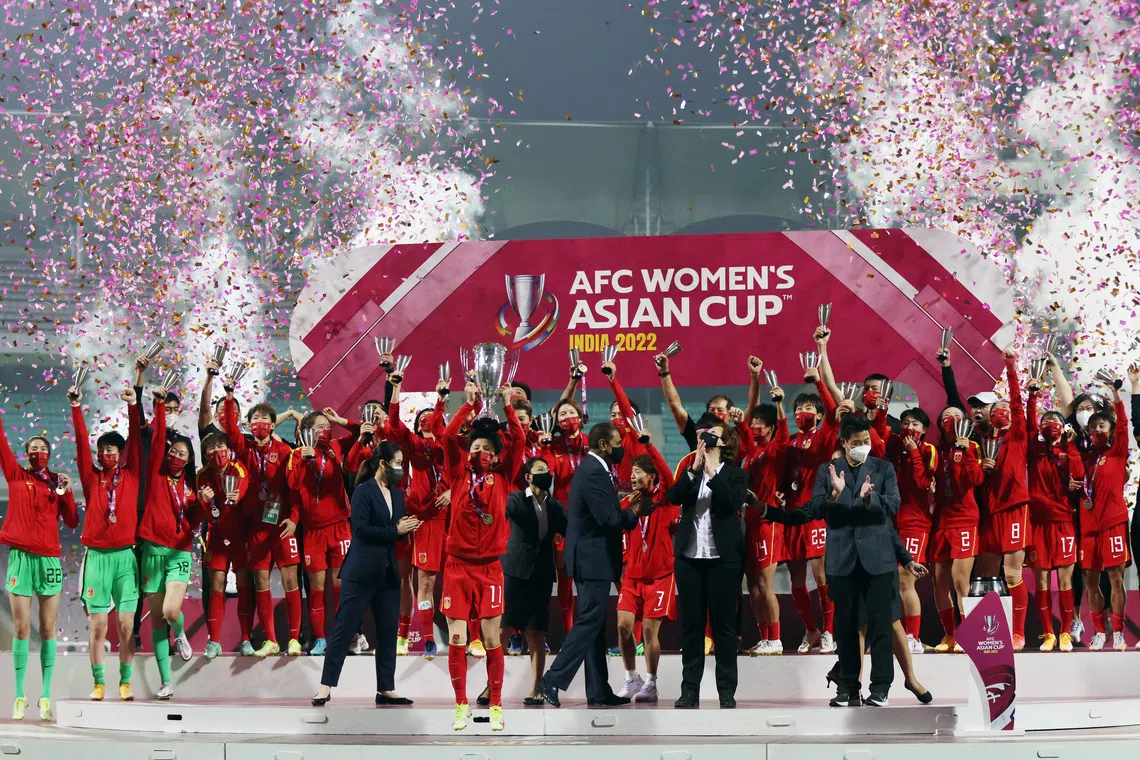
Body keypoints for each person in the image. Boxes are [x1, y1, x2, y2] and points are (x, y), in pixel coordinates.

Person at [765, 415, 901, 707]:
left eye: (866, 441)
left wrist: (869, 499)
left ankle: (880, 688)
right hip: (842, 561)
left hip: (878, 561)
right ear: (844, 443)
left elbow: (893, 505)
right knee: (845, 628)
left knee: (880, 626)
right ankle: (848, 688)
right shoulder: (828, 472)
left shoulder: (883, 469)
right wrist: (833, 497)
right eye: (856, 443)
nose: (863, 447)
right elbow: (813, 509)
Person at [539, 422, 648, 709]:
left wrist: (622, 505)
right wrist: (634, 512)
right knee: (588, 621)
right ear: (603, 445)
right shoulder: (594, 472)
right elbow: (609, 519)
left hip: (591, 557)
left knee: (595, 625)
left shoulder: (593, 469)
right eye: (617, 442)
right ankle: (551, 679)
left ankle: (598, 690)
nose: (620, 448)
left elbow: (603, 511)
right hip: (592, 558)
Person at [439, 383, 524, 732]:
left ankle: (497, 707)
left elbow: (518, 442)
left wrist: (506, 407)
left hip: (489, 568)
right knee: (458, 639)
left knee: (491, 640)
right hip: (457, 566)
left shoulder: (503, 476)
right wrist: (468, 404)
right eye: (475, 446)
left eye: (487, 448)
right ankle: (460, 706)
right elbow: (446, 437)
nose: (480, 451)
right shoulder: (457, 474)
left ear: (496, 453)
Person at [312, 443, 421, 706]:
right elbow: (361, 530)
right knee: (344, 628)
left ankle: (386, 688)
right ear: (382, 463)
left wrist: (406, 529)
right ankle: (325, 686)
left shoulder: (396, 495)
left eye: (402, 463)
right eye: (396, 462)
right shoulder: (363, 492)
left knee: (387, 631)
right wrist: (396, 529)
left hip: (388, 573)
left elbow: (392, 531)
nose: (400, 468)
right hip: (360, 571)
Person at [0, 412, 79, 721]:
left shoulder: (57, 485)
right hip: (20, 557)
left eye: (41, 448)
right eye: (31, 449)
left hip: (49, 559)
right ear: (26, 455)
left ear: (49, 454)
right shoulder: (16, 476)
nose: (37, 453)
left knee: (46, 630)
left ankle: (45, 696)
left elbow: (72, 521)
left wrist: (68, 490)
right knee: (21, 629)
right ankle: (20, 696)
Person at [665, 413, 747, 709]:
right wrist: (694, 471)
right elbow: (673, 498)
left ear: (724, 442)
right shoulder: (691, 468)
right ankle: (690, 691)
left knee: (724, 627)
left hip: (723, 559)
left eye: (714, 434)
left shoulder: (735, 473)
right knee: (692, 627)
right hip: (690, 558)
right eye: (704, 433)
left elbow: (732, 502)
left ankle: (726, 691)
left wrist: (712, 475)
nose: (707, 437)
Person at [71, 384, 142, 701]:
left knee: (126, 627)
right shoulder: (91, 478)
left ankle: (125, 682)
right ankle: (99, 683)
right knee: (98, 627)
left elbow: (137, 441)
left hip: (125, 559)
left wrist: (133, 407)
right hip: (97, 559)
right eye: (102, 451)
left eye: (112, 450)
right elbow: (81, 448)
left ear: (121, 454)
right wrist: (76, 408)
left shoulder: (131, 475)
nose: (105, 454)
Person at [220, 388, 303, 657]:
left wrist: (293, 519)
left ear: (272, 423)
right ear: (249, 424)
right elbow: (231, 430)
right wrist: (231, 396)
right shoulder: (243, 448)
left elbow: (295, 490)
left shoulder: (285, 451)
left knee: (291, 579)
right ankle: (270, 640)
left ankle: (293, 639)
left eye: (265, 418)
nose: (261, 422)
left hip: (283, 525)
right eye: (255, 418)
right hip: (257, 525)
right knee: (260, 580)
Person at [137, 387, 201, 699]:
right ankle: (166, 681)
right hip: (151, 550)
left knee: (171, 610)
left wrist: (206, 503)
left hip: (179, 553)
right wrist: (160, 406)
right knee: (157, 618)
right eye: (173, 452)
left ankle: (181, 634)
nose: (176, 456)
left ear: (189, 460)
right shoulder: (156, 473)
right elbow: (160, 432)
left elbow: (199, 519)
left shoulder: (193, 485)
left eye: (182, 454)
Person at [387, 373, 451, 659]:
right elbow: (393, 424)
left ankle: (469, 637)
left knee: (456, 581)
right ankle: (427, 639)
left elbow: (464, 473)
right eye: (422, 417)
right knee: (422, 582)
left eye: (432, 416)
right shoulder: (412, 444)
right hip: (422, 520)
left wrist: (440, 400)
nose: (427, 419)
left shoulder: (450, 443)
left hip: (450, 520)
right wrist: (397, 388)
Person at [286, 411, 353, 656]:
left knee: (339, 586)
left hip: (340, 527)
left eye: (328, 426)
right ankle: (321, 640)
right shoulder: (296, 454)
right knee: (316, 588)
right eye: (321, 426)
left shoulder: (335, 446)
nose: (326, 430)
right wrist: (303, 461)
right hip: (313, 531)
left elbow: (358, 433)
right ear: (307, 431)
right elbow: (292, 485)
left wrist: (341, 421)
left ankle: (340, 638)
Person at [615, 443, 678, 703]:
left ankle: (651, 683)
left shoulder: (666, 500)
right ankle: (632, 677)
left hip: (661, 577)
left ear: (652, 477)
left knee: (651, 632)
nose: (632, 476)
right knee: (623, 627)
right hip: (632, 577)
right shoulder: (627, 503)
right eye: (631, 471)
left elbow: (667, 473)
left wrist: (647, 445)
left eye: (638, 471)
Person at [1025, 377, 1083, 652]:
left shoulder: (1068, 450)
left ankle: (1065, 633)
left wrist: (1070, 447)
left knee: (1065, 580)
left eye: (1055, 419)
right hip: (1038, 524)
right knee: (1042, 582)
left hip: (1063, 523)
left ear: (1063, 427)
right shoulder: (1034, 449)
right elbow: (1026, 424)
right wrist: (1034, 397)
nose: (1050, 423)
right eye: (1045, 420)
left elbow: (1080, 475)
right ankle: (1048, 633)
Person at [784, 366, 839, 654]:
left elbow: (833, 412)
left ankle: (830, 631)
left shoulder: (824, 437)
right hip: (793, 516)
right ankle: (811, 631)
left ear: (817, 414)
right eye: (799, 408)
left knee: (821, 577)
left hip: (816, 515)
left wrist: (818, 383)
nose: (802, 412)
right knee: (795, 581)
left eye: (808, 408)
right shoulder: (789, 441)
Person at [978, 350, 1031, 650]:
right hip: (990, 512)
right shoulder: (984, 440)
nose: (1002, 411)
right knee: (988, 578)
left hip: (1014, 509)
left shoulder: (1018, 435)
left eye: (1005, 407)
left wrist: (1010, 368)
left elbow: (1017, 401)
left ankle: (1018, 633)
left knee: (1012, 574)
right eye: (995, 408)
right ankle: (991, 632)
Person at [872, 407, 936, 654]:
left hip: (915, 523)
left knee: (906, 581)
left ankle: (914, 637)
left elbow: (922, 484)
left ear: (925, 430)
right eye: (906, 423)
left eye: (916, 425)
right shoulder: (894, 445)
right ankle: (894, 634)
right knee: (890, 582)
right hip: (891, 522)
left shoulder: (929, 451)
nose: (910, 428)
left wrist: (913, 453)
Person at [503, 457, 567, 704]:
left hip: (541, 574)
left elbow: (569, 529)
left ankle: (536, 688)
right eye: (540, 471)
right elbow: (511, 516)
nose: (546, 474)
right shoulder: (515, 500)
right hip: (516, 572)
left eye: (548, 471)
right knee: (505, 629)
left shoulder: (555, 506)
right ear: (528, 477)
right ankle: (491, 686)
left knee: (536, 632)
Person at [1079, 374, 1130, 651]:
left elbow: (1123, 425)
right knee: (1090, 581)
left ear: (1110, 430)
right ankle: (1100, 630)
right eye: (1093, 427)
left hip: (1113, 523)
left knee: (1115, 578)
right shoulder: (1085, 459)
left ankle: (1119, 631)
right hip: (1088, 527)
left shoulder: (1118, 452)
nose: (1098, 430)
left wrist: (1117, 397)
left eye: (1102, 425)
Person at [930, 407, 984, 653]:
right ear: (941, 424)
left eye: (957, 417)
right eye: (946, 417)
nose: (952, 420)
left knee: (961, 580)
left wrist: (965, 451)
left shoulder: (972, 448)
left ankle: (967, 633)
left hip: (965, 520)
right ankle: (949, 634)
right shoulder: (936, 451)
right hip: (942, 521)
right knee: (939, 582)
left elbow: (976, 480)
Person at [197, 432, 252, 659]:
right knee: (216, 585)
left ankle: (246, 638)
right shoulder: (202, 475)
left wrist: (236, 495)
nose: (216, 452)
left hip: (241, 536)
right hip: (217, 536)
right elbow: (209, 516)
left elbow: (243, 488)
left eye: (220, 446)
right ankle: (214, 641)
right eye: (210, 448)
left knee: (244, 584)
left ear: (228, 449)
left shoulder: (237, 469)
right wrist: (205, 502)